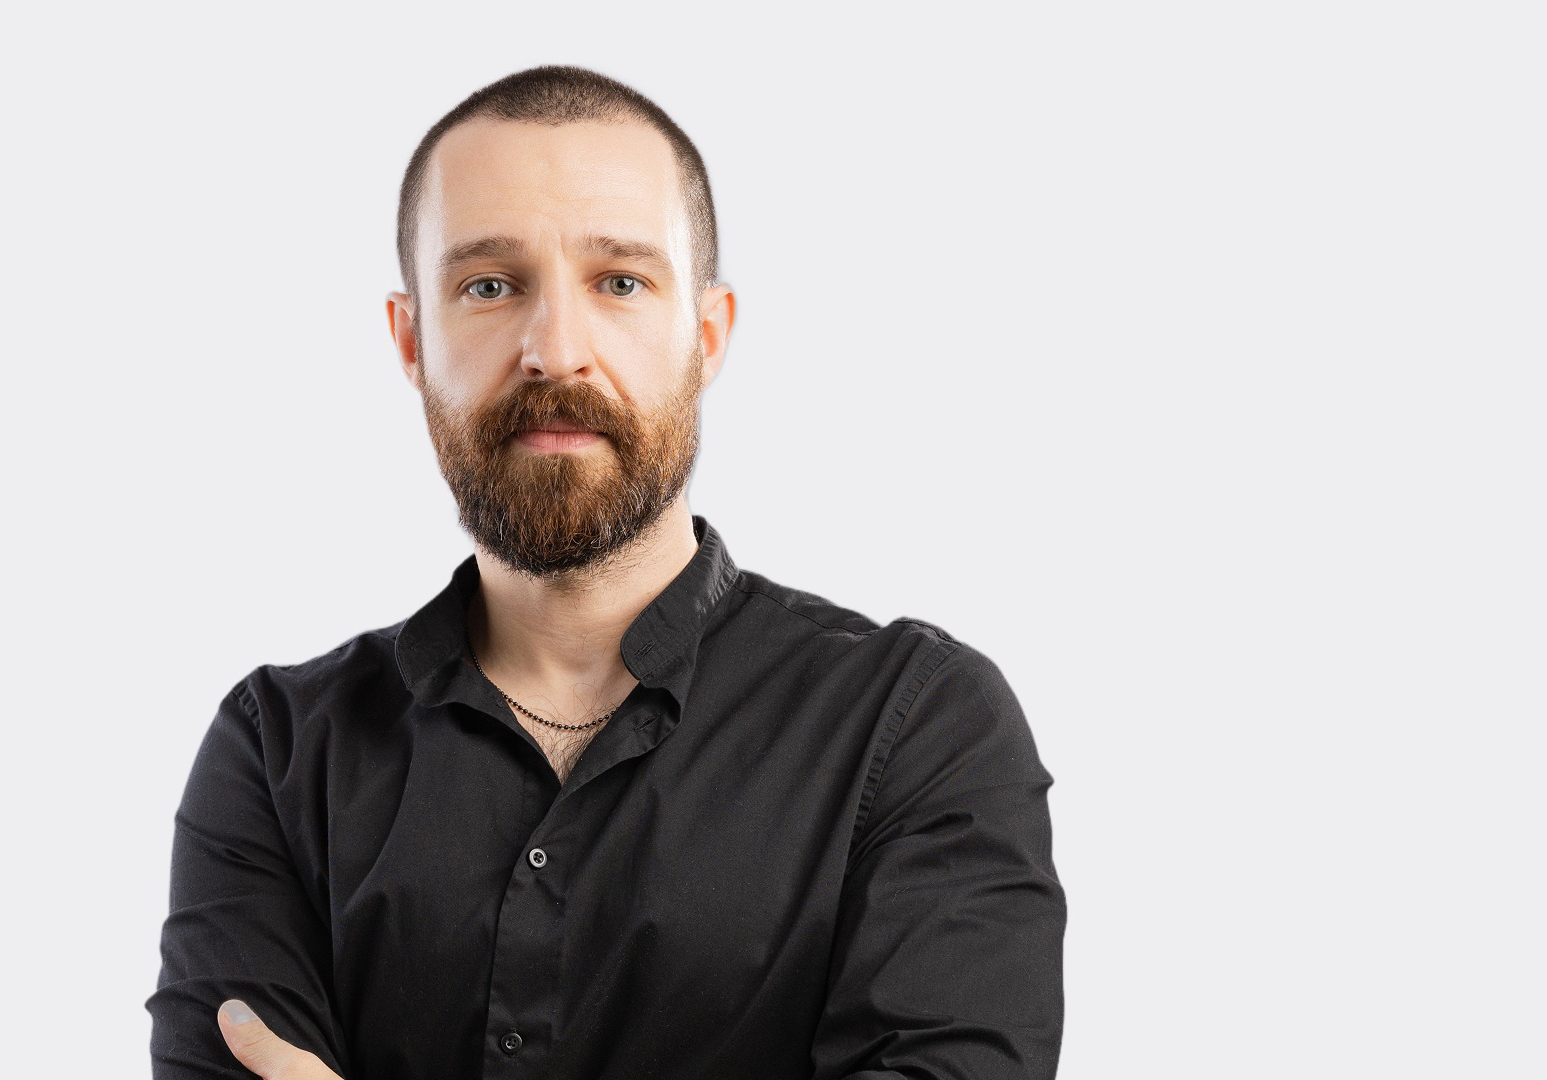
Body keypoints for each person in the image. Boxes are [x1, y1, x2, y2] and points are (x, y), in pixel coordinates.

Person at [147, 65, 1066, 1080]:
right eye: (489, 285)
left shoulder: (918, 726)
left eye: (620, 282)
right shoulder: (276, 752)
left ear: (706, 337)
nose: (555, 351)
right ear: (412, 340)